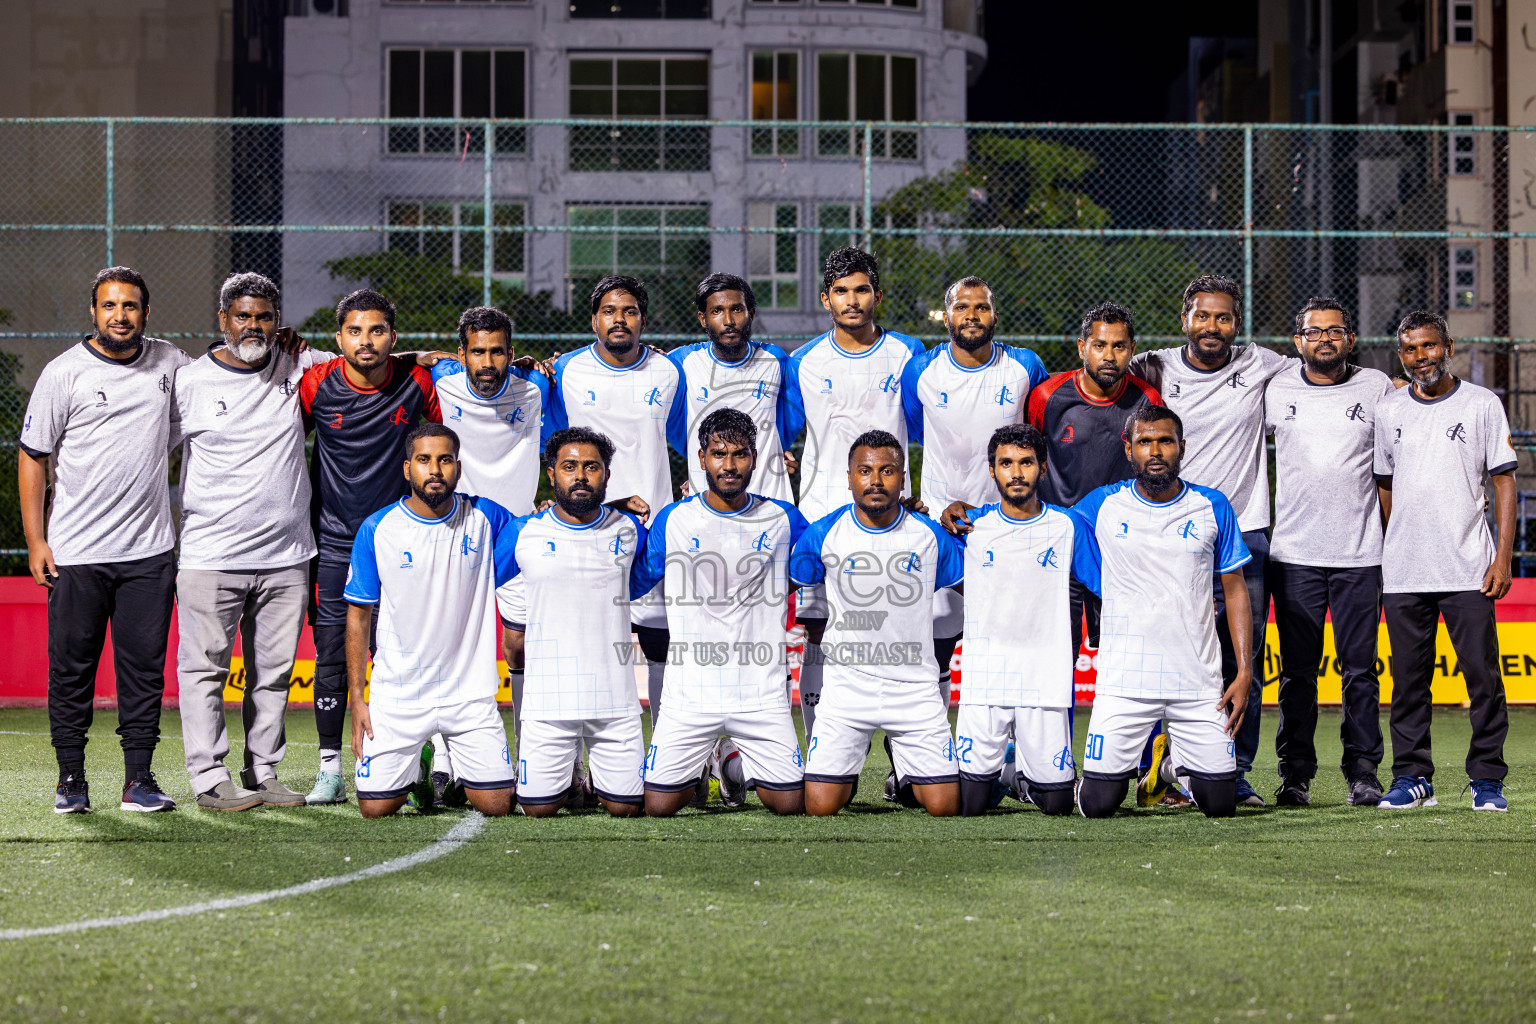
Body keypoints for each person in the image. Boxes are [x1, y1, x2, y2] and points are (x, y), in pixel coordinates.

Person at [20, 266, 190, 813]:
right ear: (93, 312)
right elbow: (32, 456)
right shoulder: (63, 372)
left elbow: (222, 382)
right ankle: (71, 780)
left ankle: (138, 781)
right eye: (110, 305)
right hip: (76, 553)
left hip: (148, 552)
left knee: (143, 674)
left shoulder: (171, 363)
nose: (120, 315)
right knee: (72, 671)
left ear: (146, 312)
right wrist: (36, 541)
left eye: (130, 305)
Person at [1128, 274, 1290, 806]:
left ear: (1237, 324)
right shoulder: (1154, 366)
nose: (1212, 326)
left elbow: (1322, 374)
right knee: (1168, 654)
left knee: (1243, 661)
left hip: (1245, 533)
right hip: (1174, 535)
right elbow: (1099, 378)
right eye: (1202, 316)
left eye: (1223, 317)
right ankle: (1160, 769)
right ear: (1185, 320)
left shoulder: (1262, 364)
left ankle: (1233, 770)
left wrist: (1387, 385)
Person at [171, 272, 328, 811]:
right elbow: (148, 451)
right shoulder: (190, 382)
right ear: (224, 320)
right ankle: (209, 777)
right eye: (243, 316)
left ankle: (262, 770)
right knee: (204, 672)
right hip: (211, 555)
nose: (253, 326)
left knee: (274, 675)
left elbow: (366, 359)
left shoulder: (298, 365)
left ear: (278, 321)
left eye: (264, 317)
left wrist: (433, 359)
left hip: (286, 555)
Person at [1073, 405, 1254, 819]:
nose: (1155, 451)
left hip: (1197, 684)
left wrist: (1244, 672)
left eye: (1165, 441)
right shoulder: (1102, 504)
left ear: (1181, 448)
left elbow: (1235, 590)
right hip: (1124, 683)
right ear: (1129, 449)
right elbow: (1037, 521)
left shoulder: (1212, 505)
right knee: (1098, 806)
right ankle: (1096, 778)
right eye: (1145, 442)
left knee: (1220, 805)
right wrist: (971, 514)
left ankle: (1170, 768)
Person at [299, 289, 441, 805]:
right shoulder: (315, 384)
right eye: (355, 331)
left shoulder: (418, 383)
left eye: (377, 330)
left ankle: (420, 764)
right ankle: (329, 771)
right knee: (332, 656)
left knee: (407, 655)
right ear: (339, 339)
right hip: (334, 543)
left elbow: (438, 451)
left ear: (393, 338)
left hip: (398, 544)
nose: (366, 340)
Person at [1373, 311, 1516, 811]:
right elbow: (1385, 486)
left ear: (1448, 347)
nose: (1421, 357)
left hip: (1468, 567)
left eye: (1429, 346)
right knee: (1408, 684)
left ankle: (1487, 779)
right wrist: (1394, 545)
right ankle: (1413, 777)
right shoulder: (1389, 410)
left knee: (1483, 679)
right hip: (1405, 570)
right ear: (1401, 356)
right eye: (1411, 349)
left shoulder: (1482, 403)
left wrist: (1502, 557)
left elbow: (1503, 481)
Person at [634, 408, 810, 816]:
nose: (729, 465)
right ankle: (699, 766)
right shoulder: (674, 519)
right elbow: (635, 582)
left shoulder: (784, 518)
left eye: (740, 454)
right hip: (689, 695)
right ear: (701, 458)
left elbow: (817, 560)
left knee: (791, 805)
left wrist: (899, 514)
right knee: (658, 807)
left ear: (754, 458)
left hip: (760, 693)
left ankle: (730, 763)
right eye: (718, 454)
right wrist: (611, 517)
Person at [783, 248, 925, 741]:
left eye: (861, 290)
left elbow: (925, 426)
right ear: (826, 298)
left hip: (892, 517)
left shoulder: (908, 353)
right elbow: (780, 429)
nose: (852, 300)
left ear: (877, 296)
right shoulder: (803, 361)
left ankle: (904, 757)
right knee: (819, 631)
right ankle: (820, 747)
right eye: (841, 291)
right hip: (823, 517)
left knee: (896, 628)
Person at [343, 424, 516, 819]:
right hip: (399, 696)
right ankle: (420, 770)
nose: (435, 469)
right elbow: (357, 617)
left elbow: (545, 530)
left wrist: (610, 508)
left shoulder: (487, 517)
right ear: (408, 469)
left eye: (444, 460)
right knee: (375, 809)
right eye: (424, 460)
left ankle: (463, 775)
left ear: (458, 467)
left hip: (468, 695)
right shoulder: (378, 529)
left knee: (497, 805)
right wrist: (358, 699)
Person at [1264, 297, 1395, 808]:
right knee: (1298, 673)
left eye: (1335, 331)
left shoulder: (1377, 387)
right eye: (1314, 331)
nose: (1325, 339)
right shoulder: (1277, 387)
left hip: (1360, 554)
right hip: (1294, 554)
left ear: (1350, 339)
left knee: (1360, 671)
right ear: (1298, 341)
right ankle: (1295, 775)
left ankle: (1363, 773)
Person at [789, 430, 961, 818]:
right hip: (847, 691)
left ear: (903, 478)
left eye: (887, 470)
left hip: (915, 691)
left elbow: (978, 589)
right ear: (850, 478)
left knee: (945, 807)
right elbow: (776, 587)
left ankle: (903, 766)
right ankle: (849, 761)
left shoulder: (929, 536)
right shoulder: (823, 534)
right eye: (865, 471)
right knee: (820, 807)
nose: (876, 480)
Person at [900, 276, 1048, 704]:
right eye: (962, 307)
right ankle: (926, 742)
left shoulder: (1024, 367)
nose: (971, 315)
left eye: (981, 307)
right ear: (947, 316)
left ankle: (1008, 740)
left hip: (1008, 526)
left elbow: (1037, 436)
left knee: (1008, 638)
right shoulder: (921, 371)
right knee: (935, 643)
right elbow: (916, 428)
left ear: (995, 315)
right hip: (941, 525)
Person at [546, 276, 685, 725]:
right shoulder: (564, 371)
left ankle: (667, 749)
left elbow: (689, 436)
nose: (619, 319)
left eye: (629, 311)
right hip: (589, 527)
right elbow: (549, 440)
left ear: (643, 319)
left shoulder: (669, 371)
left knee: (659, 642)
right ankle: (573, 755)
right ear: (594, 320)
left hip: (653, 527)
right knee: (584, 643)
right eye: (609, 311)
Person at [426, 305, 551, 802]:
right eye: (477, 352)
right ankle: (446, 762)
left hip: (518, 539)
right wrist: (423, 354)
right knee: (449, 647)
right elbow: (398, 360)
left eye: (497, 352)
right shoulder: (441, 381)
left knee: (520, 648)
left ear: (511, 354)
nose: (487, 362)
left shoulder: (536, 387)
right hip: (458, 533)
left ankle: (528, 755)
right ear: (461, 355)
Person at [940, 424, 1097, 816]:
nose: (1016, 472)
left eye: (1026, 463)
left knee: (1058, 806)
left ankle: (1016, 775)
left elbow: (1106, 588)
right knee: (969, 806)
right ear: (992, 470)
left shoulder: (1068, 526)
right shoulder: (968, 527)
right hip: (985, 682)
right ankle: (1005, 773)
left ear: (1043, 468)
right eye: (1006, 463)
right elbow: (917, 538)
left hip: (1044, 682)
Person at [504, 427, 652, 817]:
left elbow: (642, 580)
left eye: (592, 467)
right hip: (548, 705)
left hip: (614, 704)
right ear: (552, 474)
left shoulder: (630, 530)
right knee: (538, 810)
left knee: (626, 809)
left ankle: (591, 781)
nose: (581, 476)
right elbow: (475, 578)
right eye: (570, 467)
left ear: (607, 474)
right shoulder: (523, 532)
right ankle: (569, 775)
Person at [1026, 301, 1161, 659]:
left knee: (1127, 658)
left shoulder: (1147, 401)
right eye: (1099, 345)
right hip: (1060, 545)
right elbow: (1028, 462)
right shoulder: (1047, 396)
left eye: (1119, 346)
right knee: (1057, 660)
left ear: (1132, 348)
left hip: (1120, 549)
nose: (1109, 356)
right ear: (1082, 347)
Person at [669, 274, 795, 504]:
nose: (728, 320)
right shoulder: (682, 362)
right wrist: (696, 461)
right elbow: (670, 422)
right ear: (703, 318)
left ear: (751, 314)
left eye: (737, 309)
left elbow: (791, 417)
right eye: (717, 311)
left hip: (769, 500)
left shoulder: (774, 359)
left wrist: (778, 448)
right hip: (709, 500)